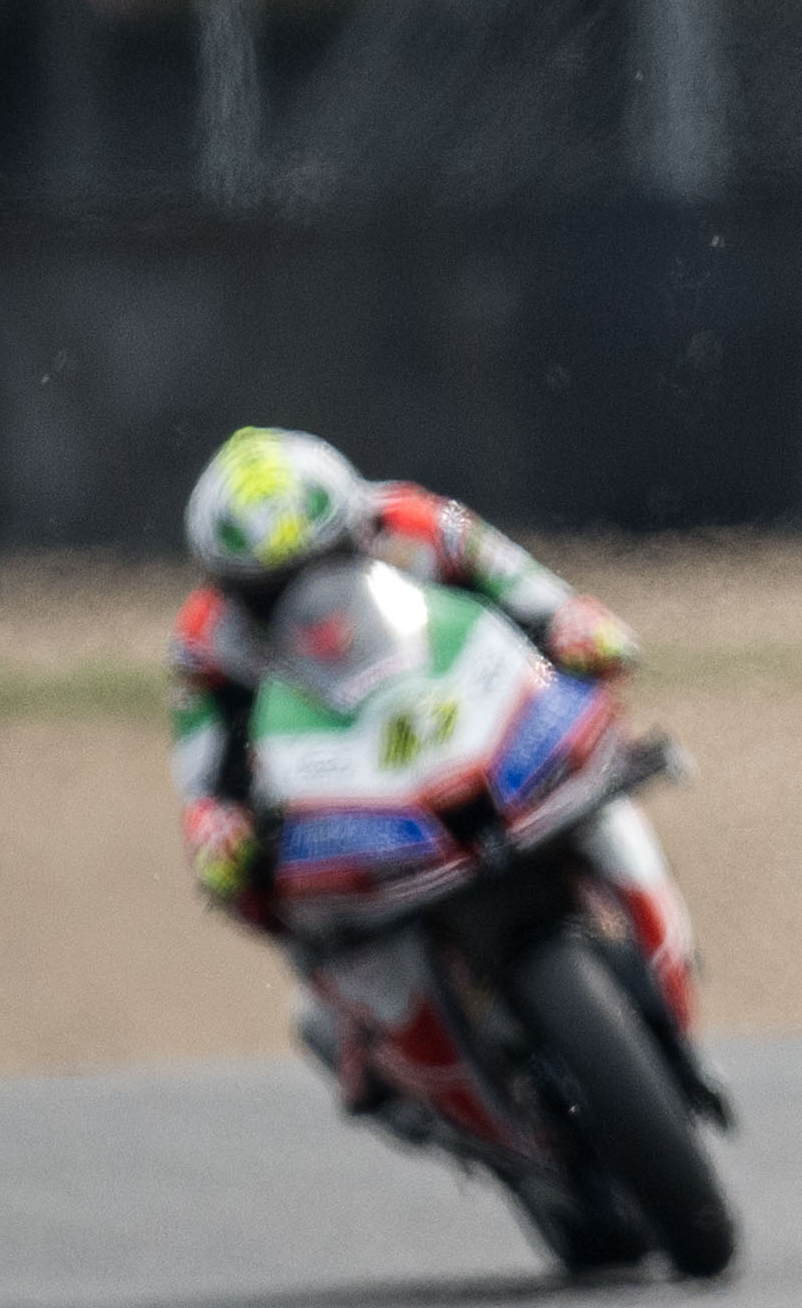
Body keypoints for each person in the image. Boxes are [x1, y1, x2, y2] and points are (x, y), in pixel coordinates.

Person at [167, 427, 690, 1086]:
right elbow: (203, 766)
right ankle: (358, 1022)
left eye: (328, 559)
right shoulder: (207, 639)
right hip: (337, 777)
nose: (311, 598)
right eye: (272, 588)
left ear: (356, 527)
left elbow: (528, 590)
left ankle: (653, 949)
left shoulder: (417, 525)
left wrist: (575, 624)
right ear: (231, 586)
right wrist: (215, 824)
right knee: (248, 884)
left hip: (453, 715)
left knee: (606, 760)